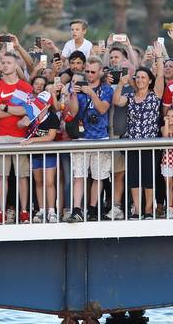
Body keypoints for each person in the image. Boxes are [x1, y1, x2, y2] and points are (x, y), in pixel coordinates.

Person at [65, 57, 114, 222]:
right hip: (82, 138)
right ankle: (77, 209)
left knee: (98, 177)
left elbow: (102, 109)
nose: (90, 75)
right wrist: (72, 93)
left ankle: (93, 209)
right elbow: (73, 111)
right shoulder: (79, 88)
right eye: (87, 71)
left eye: (93, 72)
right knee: (79, 175)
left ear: (100, 72)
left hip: (101, 137)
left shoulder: (106, 90)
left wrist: (92, 94)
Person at [112, 61, 163, 220]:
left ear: (149, 80)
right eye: (138, 77)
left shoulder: (155, 95)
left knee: (149, 177)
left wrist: (159, 57)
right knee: (134, 177)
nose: (140, 79)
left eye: (143, 77)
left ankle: (148, 209)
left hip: (150, 143)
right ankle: (137, 209)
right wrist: (120, 84)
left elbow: (160, 75)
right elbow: (116, 101)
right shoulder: (130, 98)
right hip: (133, 142)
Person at [0, 51, 33, 223]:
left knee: (22, 176)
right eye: (3, 62)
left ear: (15, 65)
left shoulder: (25, 87)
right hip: (2, 136)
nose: (5, 65)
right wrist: (16, 110)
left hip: (21, 137)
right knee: (2, 176)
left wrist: (5, 108)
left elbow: (28, 111)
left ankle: (23, 211)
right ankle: (1, 211)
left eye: (8, 62)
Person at [21, 92, 60, 224]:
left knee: (49, 181)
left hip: (48, 153)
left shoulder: (53, 117)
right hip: (35, 153)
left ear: (48, 105)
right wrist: (22, 123)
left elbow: (51, 137)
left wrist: (33, 140)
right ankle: (42, 209)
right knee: (38, 181)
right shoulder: (32, 114)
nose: (39, 105)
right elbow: (20, 125)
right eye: (37, 102)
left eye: (42, 103)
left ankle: (51, 210)